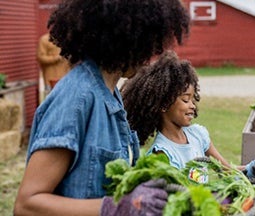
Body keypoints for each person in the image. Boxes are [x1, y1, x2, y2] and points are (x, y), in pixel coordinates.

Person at [13, 0, 190, 215]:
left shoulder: (110, 93)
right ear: (127, 38)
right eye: (149, 42)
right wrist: (115, 207)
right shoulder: (76, 97)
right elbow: (27, 205)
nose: (152, 54)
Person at [120, 51, 255, 181]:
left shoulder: (198, 135)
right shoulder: (161, 155)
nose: (193, 106)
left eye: (193, 100)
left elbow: (227, 171)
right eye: (186, 99)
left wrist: (252, 168)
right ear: (164, 104)